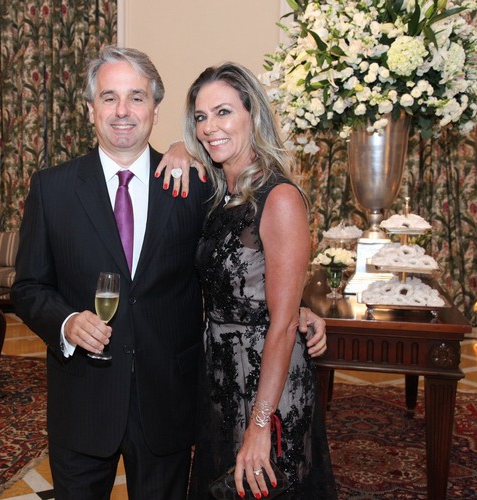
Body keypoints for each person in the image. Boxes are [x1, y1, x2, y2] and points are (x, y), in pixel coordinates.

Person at [10, 46, 327, 499]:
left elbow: (246, 261)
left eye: (137, 97)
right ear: (89, 109)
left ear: (155, 110)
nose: (123, 111)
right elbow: (27, 287)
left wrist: (297, 309)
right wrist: (65, 321)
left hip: (168, 403)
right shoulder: (51, 189)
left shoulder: (196, 185)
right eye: (109, 98)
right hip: (82, 405)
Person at [181, 62, 338, 499]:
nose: (209, 127)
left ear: (254, 115)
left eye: (224, 112)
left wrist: (261, 423)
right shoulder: (220, 196)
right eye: (200, 116)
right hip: (221, 378)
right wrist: (178, 148)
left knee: (262, 484)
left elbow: (282, 324)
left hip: (266, 386)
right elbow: (248, 285)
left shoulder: (279, 197)